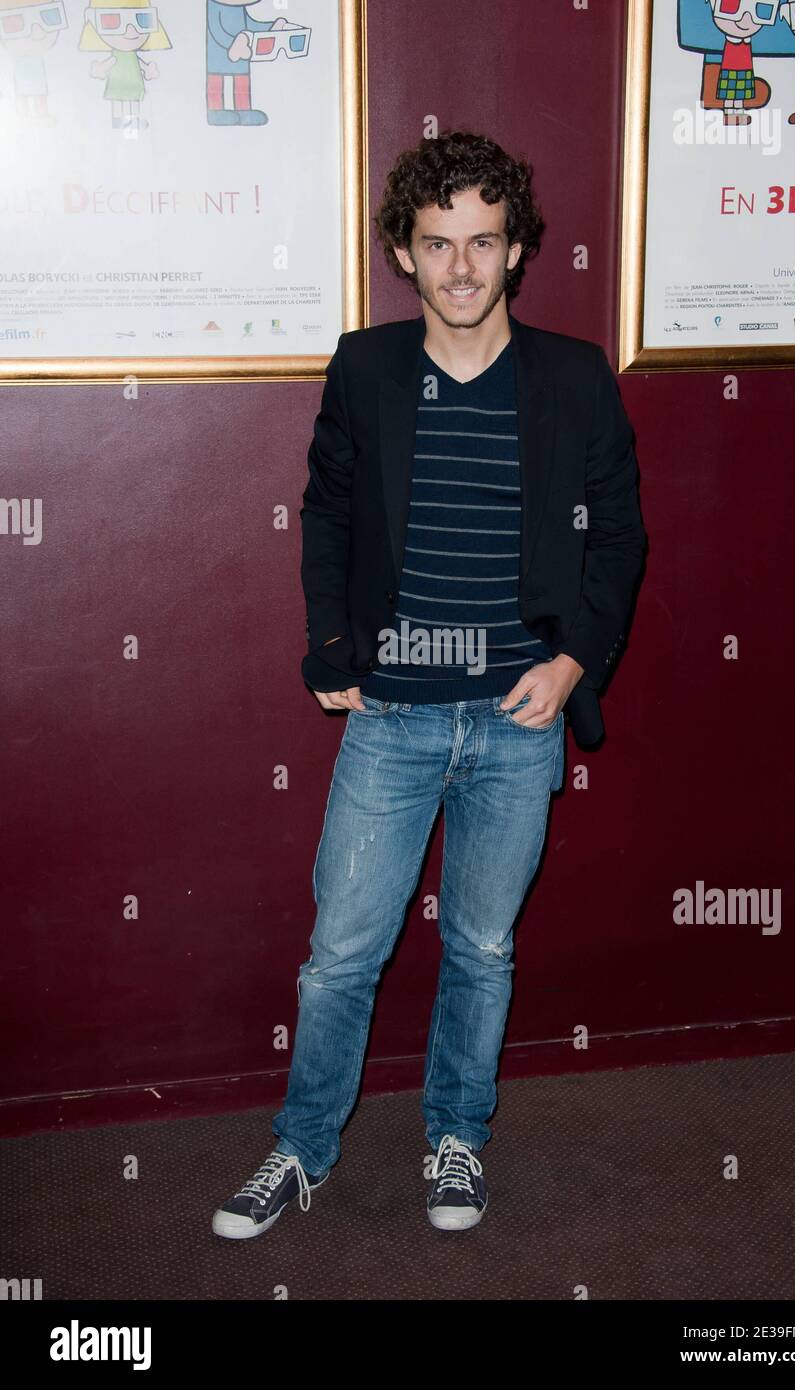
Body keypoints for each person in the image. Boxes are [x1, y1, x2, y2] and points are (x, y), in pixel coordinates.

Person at [212, 129, 647, 1240]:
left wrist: (570, 664)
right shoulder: (363, 367)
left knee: (483, 949)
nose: (461, 267)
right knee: (340, 956)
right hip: (395, 719)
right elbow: (328, 515)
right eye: (436, 243)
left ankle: (456, 1136)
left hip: (517, 721)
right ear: (404, 255)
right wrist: (329, 651)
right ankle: (300, 1148)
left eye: (483, 242)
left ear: (516, 251)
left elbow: (621, 542)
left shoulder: (572, 376)